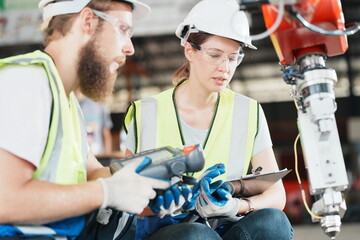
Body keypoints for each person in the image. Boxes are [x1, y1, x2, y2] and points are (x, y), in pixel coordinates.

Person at [0, 0, 171, 239]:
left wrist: (150, 185)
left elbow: (93, 173)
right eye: (123, 30)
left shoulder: (65, 99)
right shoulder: (27, 82)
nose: (130, 48)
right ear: (88, 21)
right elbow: (5, 200)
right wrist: (105, 193)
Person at [123, 0, 293, 239]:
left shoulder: (248, 111)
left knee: (274, 222)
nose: (225, 68)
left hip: (225, 227)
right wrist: (172, 203)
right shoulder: (146, 111)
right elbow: (121, 197)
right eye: (215, 55)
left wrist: (236, 205)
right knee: (197, 236)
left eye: (233, 58)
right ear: (189, 50)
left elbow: (277, 196)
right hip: (167, 231)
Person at [75, 89, 113, 156]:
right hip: (79, 156)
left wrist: (107, 157)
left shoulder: (98, 102)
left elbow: (106, 133)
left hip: (99, 155)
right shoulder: (70, 102)